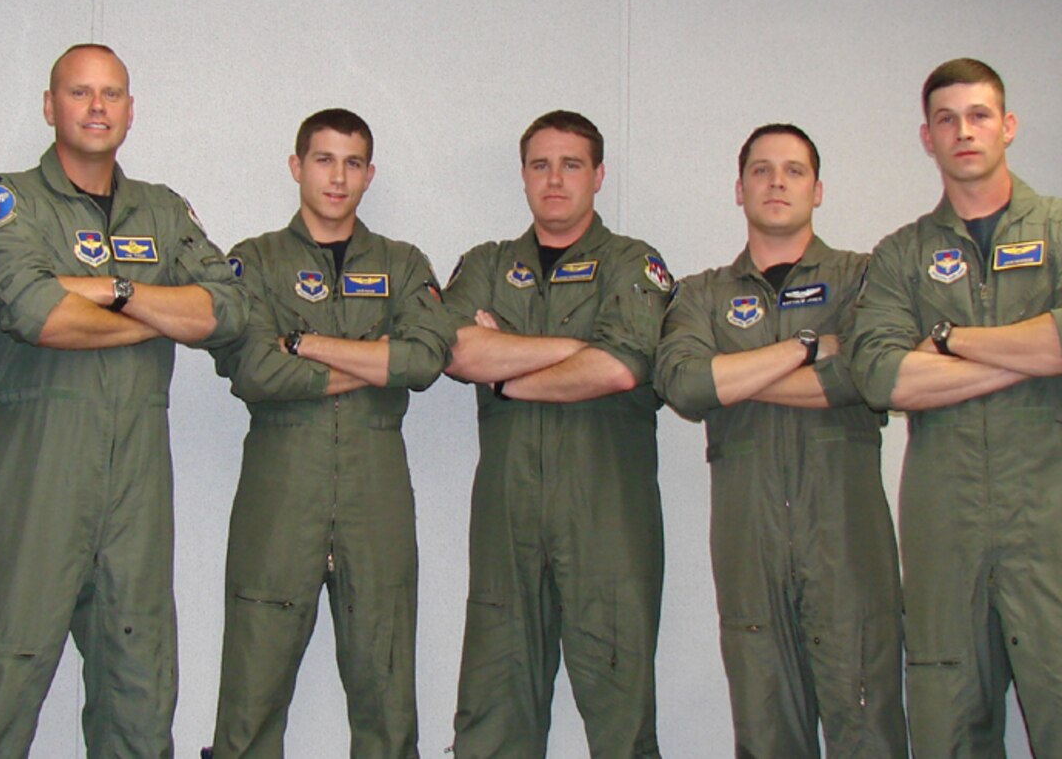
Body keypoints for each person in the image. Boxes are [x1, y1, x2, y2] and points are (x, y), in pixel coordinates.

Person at [0, 43, 244, 758]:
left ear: (131, 111)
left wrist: (115, 289)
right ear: (50, 106)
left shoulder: (163, 212)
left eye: (111, 94)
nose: (97, 107)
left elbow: (226, 312)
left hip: (136, 491)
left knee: (139, 694)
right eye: (80, 93)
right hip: (30, 480)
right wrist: (155, 314)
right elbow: (35, 313)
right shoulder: (6, 201)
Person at [845, 59, 1062, 757]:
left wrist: (950, 342)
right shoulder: (900, 256)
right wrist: (1029, 354)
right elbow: (882, 377)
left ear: (1007, 127)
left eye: (979, 115)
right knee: (949, 730)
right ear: (927, 137)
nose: (963, 132)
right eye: (946, 120)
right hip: (946, 528)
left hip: (1057, 523)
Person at [653, 124, 906, 758]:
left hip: (847, 538)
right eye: (762, 171)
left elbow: (866, 374)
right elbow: (684, 384)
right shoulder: (703, 293)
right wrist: (807, 347)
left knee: (868, 730)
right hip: (750, 544)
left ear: (818, 189)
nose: (776, 182)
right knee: (766, 734)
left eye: (793, 171)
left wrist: (734, 375)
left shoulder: (862, 279)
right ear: (738, 189)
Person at [207, 108, 453, 757]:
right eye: (323, 159)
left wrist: (308, 345)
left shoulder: (403, 264)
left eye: (352, 163)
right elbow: (254, 368)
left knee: (387, 700)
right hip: (279, 496)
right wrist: (373, 360)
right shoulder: (252, 261)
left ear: (369, 174)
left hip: (377, 501)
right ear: (296, 166)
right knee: (250, 701)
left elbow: (425, 359)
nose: (337, 177)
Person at [442, 110, 672, 758]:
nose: (555, 179)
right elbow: (458, 352)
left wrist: (507, 369)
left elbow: (621, 367)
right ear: (523, 176)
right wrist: (575, 349)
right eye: (540, 165)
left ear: (598, 175)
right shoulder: (487, 264)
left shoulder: (633, 263)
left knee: (620, 716)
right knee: (492, 710)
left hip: (608, 520)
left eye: (571, 164)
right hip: (507, 519)